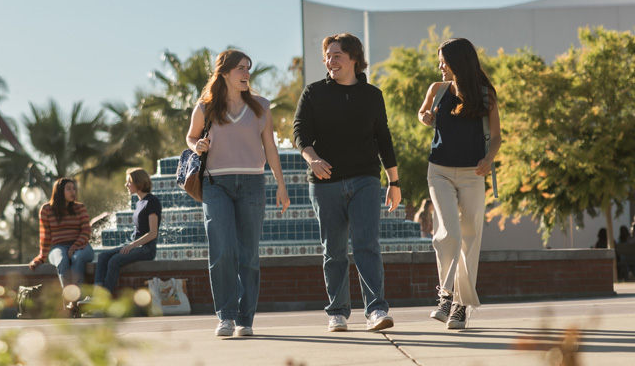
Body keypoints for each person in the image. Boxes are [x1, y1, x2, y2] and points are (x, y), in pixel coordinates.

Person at [293, 33, 399, 332]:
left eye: (337, 55)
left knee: (367, 244)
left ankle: (376, 310)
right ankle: (337, 312)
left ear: (354, 58)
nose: (330, 60)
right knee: (334, 249)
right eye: (327, 55)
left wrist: (394, 181)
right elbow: (299, 132)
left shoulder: (372, 95)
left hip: (365, 178)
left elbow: (384, 139)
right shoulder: (313, 93)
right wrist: (311, 157)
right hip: (325, 183)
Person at [186, 49, 289, 337]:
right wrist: (197, 146)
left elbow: (271, 147)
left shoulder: (261, 106)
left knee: (248, 255)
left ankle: (245, 320)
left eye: (248, 68)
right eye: (240, 68)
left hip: (253, 184)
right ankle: (226, 317)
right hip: (215, 184)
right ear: (225, 73)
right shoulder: (205, 107)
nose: (246, 73)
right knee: (222, 250)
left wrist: (281, 185)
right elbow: (191, 136)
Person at [416, 37, 502, 329]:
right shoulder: (437, 90)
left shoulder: (485, 95)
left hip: (472, 174)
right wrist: (425, 117)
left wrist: (489, 157)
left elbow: (497, 136)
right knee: (448, 233)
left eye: (444, 60)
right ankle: (446, 295)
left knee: (470, 237)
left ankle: (460, 307)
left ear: (459, 62)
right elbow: (423, 113)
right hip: (438, 170)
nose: (440, 66)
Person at [92, 168, 161, 296]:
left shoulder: (152, 202)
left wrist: (131, 245)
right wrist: (130, 244)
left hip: (147, 248)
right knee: (103, 257)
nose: (126, 185)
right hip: (135, 244)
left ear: (138, 182)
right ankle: (97, 295)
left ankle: (103, 299)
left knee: (114, 260)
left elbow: (153, 233)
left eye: (129, 182)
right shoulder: (140, 202)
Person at [28, 178, 95, 291]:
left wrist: (74, 246)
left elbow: (86, 232)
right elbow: (46, 237)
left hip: (82, 246)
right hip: (58, 247)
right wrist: (41, 258)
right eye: (68, 189)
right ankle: (70, 298)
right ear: (59, 191)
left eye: (74, 188)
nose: (73, 192)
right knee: (62, 260)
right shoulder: (46, 209)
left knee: (77, 258)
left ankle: (77, 298)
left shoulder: (80, 208)